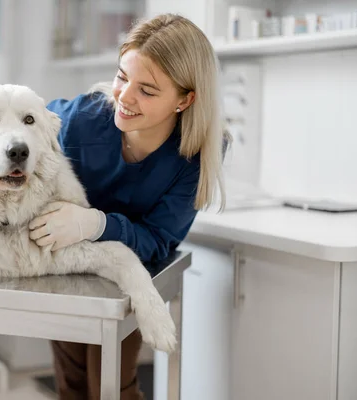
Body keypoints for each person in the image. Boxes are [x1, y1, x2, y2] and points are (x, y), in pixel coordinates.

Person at [28, 13, 229, 400]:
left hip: (130, 271)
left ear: (185, 99)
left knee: (113, 385)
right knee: (72, 383)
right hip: (66, 265)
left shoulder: (197, 153)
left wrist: (96, 224)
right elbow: (21, 127)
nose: (124, 96)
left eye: (148, 90)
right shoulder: (82, 121)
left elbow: (157, 240)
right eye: (123, 76)